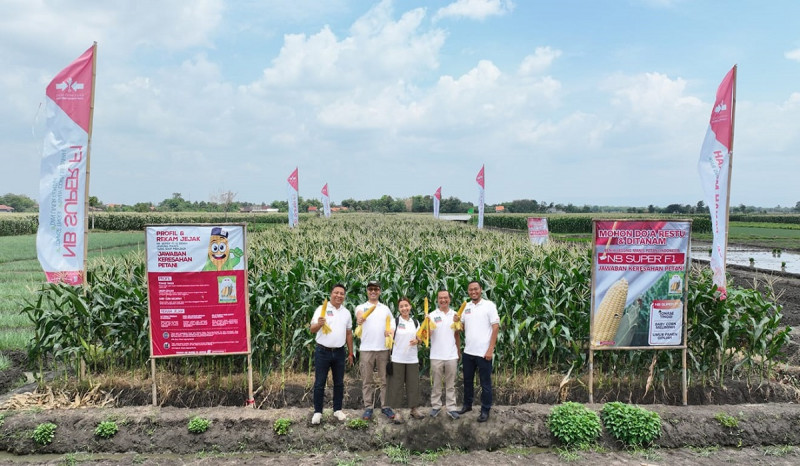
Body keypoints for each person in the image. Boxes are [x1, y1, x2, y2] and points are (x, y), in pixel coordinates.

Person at [309, 283, 354, 425]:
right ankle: (317, 412)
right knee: (319, 383)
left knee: (339, 383)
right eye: (336, 293)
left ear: (344, 296)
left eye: (342, 293)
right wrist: (319, 324)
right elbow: (312, 329)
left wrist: (351, 353)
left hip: (340, 352)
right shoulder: (321, 310)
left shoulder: (346, 312)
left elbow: (348, 333)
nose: (339, 295)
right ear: (331, 294)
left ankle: (337, 410)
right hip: (323, 351)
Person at [456, 280, 499, 422]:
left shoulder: (489, 306)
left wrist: (490, 349)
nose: (473, 292)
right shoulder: (466, 307)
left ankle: (485, 409)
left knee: (485, 383)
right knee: (467, 381)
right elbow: (461, 327)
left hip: (483, 353)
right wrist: (456, 321)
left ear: (481, 289)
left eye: (476, 289)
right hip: (469, 352)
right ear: (468, 292)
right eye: (470, 290)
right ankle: (467, 405)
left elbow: (495, 327)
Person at [355, 280, 397, 421]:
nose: (373, 291)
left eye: (376, 289)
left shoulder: (385, 308)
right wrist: (360, 319)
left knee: (385, 380)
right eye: (370, 289)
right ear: (367, 291)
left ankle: (385, 406)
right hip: (366, 349)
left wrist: (390, 331)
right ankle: (368, 407)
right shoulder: (361, 307)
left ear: (379, 291)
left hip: (383, 349)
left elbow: (392, 322)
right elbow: (359, 316)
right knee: (367, 380)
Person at [386, 297, 425, 423]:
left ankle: (414, 410)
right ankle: (397, 412)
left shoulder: (415, 322)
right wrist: (388, 334)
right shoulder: (395, 321)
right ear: (399, 309)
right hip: (397, 358)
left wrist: (417, 341)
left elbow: (420, 338)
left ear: (410, 307)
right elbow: (390, 332)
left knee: (413, 384)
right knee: (396, 385)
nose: (404, 308)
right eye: (401, 306)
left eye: (406, 305)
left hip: (412, 359)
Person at [428, 289, 462, 419]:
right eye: (440, 298)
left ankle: (451, 408)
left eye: (445, 298)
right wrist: (427, 325)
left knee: (451, 384)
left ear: (449, 299)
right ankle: (436, 406)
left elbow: (458, 333)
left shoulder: (455, 315)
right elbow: (427, 335)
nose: (443, 300)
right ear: (437, 300)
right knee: (436, 383)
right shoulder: (431, 315)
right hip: (436, 355)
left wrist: (458, 351)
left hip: (451, 355)